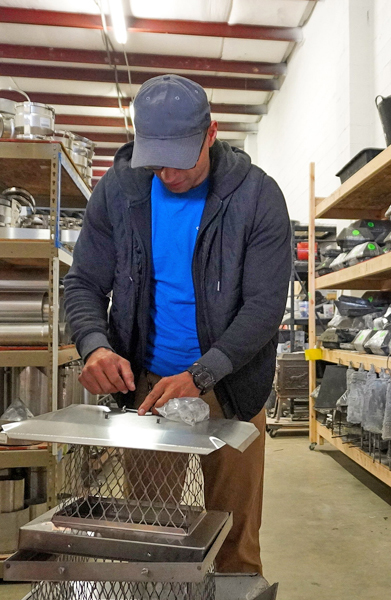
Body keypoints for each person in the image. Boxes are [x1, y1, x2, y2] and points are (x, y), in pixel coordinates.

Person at [64, 74, 292, 574]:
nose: (168, 174)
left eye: (182, 158)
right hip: (148, 388)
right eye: (156, 159)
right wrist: (94, 345)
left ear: (211, 134)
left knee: (234, 535)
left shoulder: (256, 197)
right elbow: (83, 282)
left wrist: (203, 374)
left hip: (233, 389)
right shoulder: (119, 191)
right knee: (153, 533)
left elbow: (263, 307)